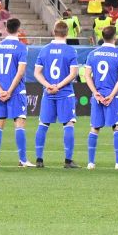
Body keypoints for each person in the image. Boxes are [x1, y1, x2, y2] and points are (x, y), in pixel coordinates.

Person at [33, 20, 81, 169]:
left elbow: (36, 73)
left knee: (43, 124)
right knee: (68, 124)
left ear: (54, 32)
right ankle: (68, 160)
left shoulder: (44, 50)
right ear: (67, 33)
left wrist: (48, 86)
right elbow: (74, 73)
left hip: (48, 93)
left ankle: (39, 159)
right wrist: (58, 86)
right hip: (64, 93)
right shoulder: (70, 50)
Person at [83, 25, 118, 169]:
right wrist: (112, 95)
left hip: (97, 96)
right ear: (115, 37)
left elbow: (86, 76)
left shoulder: (92, 54)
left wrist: (95, 92)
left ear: (102, 37)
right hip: (112, 97)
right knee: (117, 127)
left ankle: (91, 162)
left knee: (95, 128)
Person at [0, 17, 31, 167]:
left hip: (2, 92)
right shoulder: (21, 47)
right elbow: (20, 73)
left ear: (6, 29)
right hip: (16, 92)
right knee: (19, 123)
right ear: (19, 29)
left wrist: (1, 91)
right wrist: (10, 91)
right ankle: (23, 159)